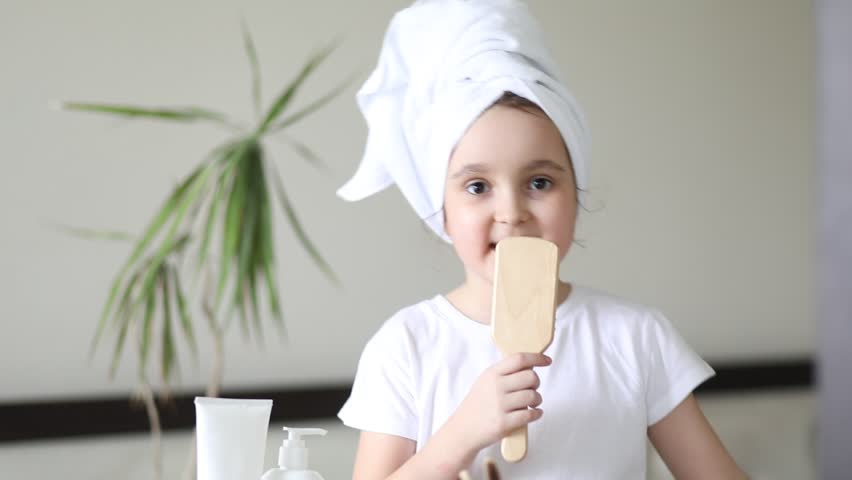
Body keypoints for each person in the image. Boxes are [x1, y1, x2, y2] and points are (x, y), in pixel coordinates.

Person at [335, 1, 747, 478]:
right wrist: (460, 435)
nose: (511, 212)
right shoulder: (406, 347)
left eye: (540, 182)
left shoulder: (635, 338)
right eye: (477, 187)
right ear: (440, 209)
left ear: (576, 192)